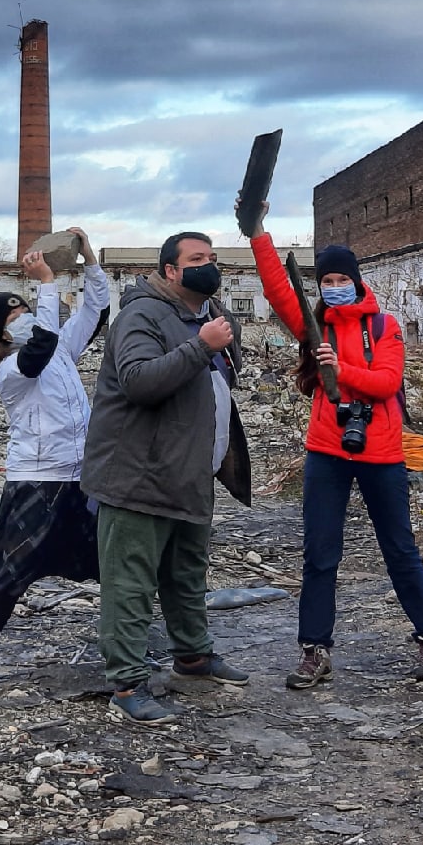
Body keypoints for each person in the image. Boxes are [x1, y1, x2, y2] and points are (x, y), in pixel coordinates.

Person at [244, 203, 423, 686]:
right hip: (327, 450)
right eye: (326, 280)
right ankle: (315, 650)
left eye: (340, 278)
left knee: (399, 548)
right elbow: (277, 288)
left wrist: (338, 369)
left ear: (356, 280)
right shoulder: (315, 326)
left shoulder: (384, 326)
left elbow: (386, 381)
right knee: (319, 553)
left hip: (381, 452)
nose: (333, 286)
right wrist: (257, 233)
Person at [80, 231, 252, 725]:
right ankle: (128, 684)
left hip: (189, 473)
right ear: (171, 270)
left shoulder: (206, 314)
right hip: (139, 477)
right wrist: (201, 347)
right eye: (197, 259)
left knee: (185, 573)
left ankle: (193, 656)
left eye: (213, 259)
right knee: (130, 582)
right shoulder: (142, 314)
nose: (209, 266)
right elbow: (138, 381)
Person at [0, 229, 110, 691]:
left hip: (81, 475)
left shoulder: (60, 346)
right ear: (4, 329)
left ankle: (125, 647)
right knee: (12, 574)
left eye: (26, 308)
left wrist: (88, 261)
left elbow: (96, 311)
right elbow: (40, 348)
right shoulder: (11, 367)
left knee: (113, 562)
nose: (26, 317)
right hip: (38, 481)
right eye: (17, 313)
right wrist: (46, 282)